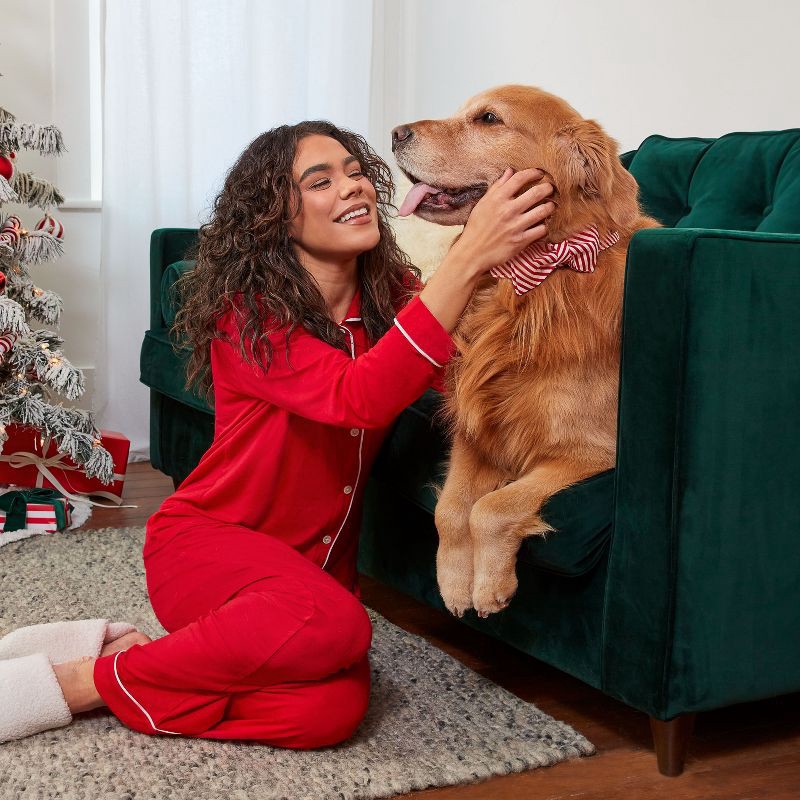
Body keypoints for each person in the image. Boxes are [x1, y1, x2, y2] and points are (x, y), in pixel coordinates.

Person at [50, 121, 554, 747]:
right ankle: (93, 680)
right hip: (208, 545)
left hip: (311, 579)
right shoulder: (249, 316)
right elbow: (359, 396)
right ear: (277, 220)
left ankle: (173, 663)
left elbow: (463, 384)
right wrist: (471, 253)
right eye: (321, 182)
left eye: (355, 171)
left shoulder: (397, 302)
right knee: (339, 627)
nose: (354, 188)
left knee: (328, 715)